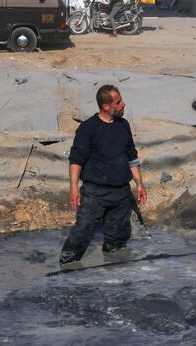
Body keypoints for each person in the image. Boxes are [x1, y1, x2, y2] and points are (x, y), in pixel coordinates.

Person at [59, 85, 147, 265]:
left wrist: (139, 183)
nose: (123, 104)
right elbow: (76, 160)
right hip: (95, 192)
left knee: (118, 237)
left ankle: (115, 271)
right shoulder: (88, 128)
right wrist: (74, 188)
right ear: (106, 106)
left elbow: (132, 157)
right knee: (83, 231)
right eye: (118, 102)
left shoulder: (123, 125)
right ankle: (67, 267)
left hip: (121, 193)